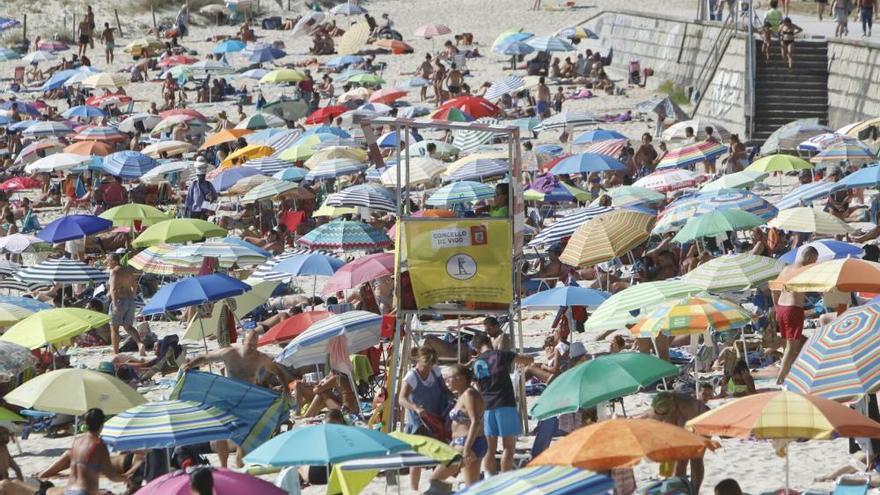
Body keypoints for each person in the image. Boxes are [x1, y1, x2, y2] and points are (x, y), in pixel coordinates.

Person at [472, 333, 533, 475]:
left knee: (490, 449)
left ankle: (489, 477)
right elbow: (528, 360)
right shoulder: (501, 354)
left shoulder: (476, 363)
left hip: (487, 407)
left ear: (476, 348)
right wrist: (529, 359)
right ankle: (505, 479)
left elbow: (478, 387)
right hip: (505, 403)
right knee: (508, 447)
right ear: (489, 341)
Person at [37, 408, 128, 494]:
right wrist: (126, 480)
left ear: (86, 423)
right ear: (102, 425)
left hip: (69, 490)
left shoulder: (77, 441)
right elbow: (110, 475)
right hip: (85, 492)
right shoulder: (98, 445)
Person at [398, 346, 450, 491]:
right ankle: (414, 489)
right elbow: (401, 399)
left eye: (431, 364)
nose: (428, 368)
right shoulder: (412, 376)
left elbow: (444, 391)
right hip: (419, 422)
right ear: (419, 361)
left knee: (439, 454)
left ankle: (435, 486)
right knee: (417, 458)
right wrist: (416, 408)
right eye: (426, 364)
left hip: (437, 419)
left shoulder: (436, 371)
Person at [429, 365, 487, 489]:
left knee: (435, 479)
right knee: (471, 487)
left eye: (449, 378)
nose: (446, 382)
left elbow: (475, 421)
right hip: (469, 443)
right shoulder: (463, 395)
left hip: (467, 444)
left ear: (461, 379)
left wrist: (466, 448)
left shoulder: (469, 394)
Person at [773, 245, 818, 384]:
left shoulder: (787, 268)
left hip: (781, 307)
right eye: (814, 260)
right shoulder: (805, 270)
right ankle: (780, 379)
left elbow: (773, 289)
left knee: (787, 344)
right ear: (809, 258)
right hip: (793, 309)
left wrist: (776, 309)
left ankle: (786, 374)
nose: (814, 263)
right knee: (792, 348)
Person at [650, 393, 709, 494]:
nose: (662, 417)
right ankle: (680, 489)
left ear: (672, 408)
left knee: (696, 458)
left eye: (664, 415)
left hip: (702, 422)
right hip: (683, 423)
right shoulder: (661, 406)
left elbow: (695, 430)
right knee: (679, 461)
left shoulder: (688, 406)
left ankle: (695, 491)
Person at [108, 253, 146, 356]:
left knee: (114, 327)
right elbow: (134, 286)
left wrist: (115, 304)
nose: (108, 264)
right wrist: (132, 296)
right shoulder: (128, 271)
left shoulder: (115, 272)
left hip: (120, 300)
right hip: (130, 300)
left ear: (113, 261)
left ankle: (115, 353)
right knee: (128, 326)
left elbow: (113, 289)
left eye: (108, 261)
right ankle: (140, 344)